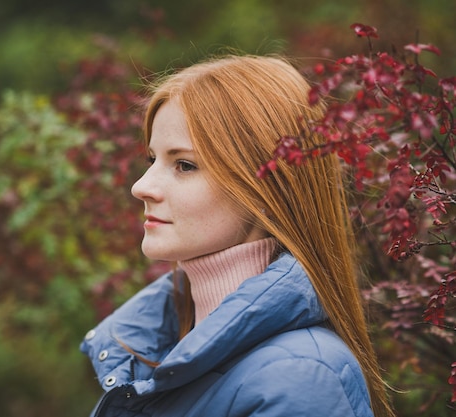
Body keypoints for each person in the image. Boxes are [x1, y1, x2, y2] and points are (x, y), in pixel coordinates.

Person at [80, 55, 394, 417]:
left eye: (184, 164)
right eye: (152, 159)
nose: (141, 186)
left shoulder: (300, 377)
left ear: (266, 193)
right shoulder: (160, 347)